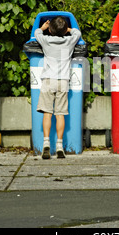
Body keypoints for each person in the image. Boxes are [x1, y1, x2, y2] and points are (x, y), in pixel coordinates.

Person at [34, 16, 82, 159]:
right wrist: (67, 29)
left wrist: (43, 28)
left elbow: (36, 33)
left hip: (49, 80)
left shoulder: (46, 41)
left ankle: (46, 144)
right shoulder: (69, 41)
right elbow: (77, 33)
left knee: (47, 113)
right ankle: (60, 146)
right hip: (63, 81)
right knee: (60, 113)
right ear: (65, 31)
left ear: (50, 29)